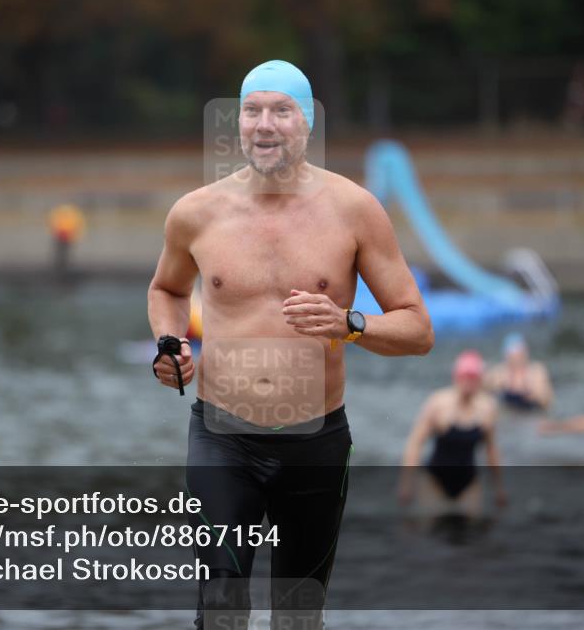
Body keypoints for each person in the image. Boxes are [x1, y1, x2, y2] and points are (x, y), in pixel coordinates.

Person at [147, 59, 433, 630]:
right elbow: (167, 289)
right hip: (222, 439)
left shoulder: (354, 210)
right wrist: (170, 343)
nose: (265, 124)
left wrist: (349, 323)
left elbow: (418, 330)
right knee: (221, 608)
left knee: (298, 618)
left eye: (282, 110)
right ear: (237, 122)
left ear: (307, 122)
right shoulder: (196, 212)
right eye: (252, 110)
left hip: (316, 442)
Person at [399, 350, 506, 515]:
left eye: (473, 378)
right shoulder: (438, 404)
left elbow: (491, 450)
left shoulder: (487, 409)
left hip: (468, 482)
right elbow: (415, 443)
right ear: (456, 377)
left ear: (480, 380)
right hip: (435, 480)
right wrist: (406, 482)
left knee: (471, 529)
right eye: (465, 377)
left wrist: (499, 487)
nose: (468, 382)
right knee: (429, 527)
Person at [485, 332, 553, 411]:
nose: (517, 359)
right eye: (513, 355)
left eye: (519, 354)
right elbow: (483, 392)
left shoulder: (536, 371)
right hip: (509, 411)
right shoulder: (499, 373)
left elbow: (547, 400)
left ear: (525, 354)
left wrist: (534, 394)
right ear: (507, 357)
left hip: (533, 411)